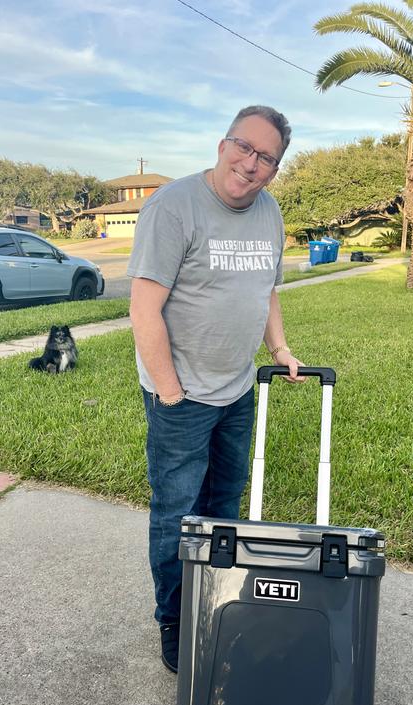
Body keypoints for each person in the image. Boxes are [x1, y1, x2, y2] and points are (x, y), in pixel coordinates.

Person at [127, 105, 304, 673]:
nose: (251, 165)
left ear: (276, 169)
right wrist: (171, 392)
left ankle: (218, 606)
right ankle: (176, 624)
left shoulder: (270, 211)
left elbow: (267, 291)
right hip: (181, 398)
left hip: (237, 391)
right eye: (244, 148)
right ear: (223, 143)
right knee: (178, 515)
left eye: (266, 158)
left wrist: (278, 349)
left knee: (224, 510)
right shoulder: (172, 206)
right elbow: (143, 310)